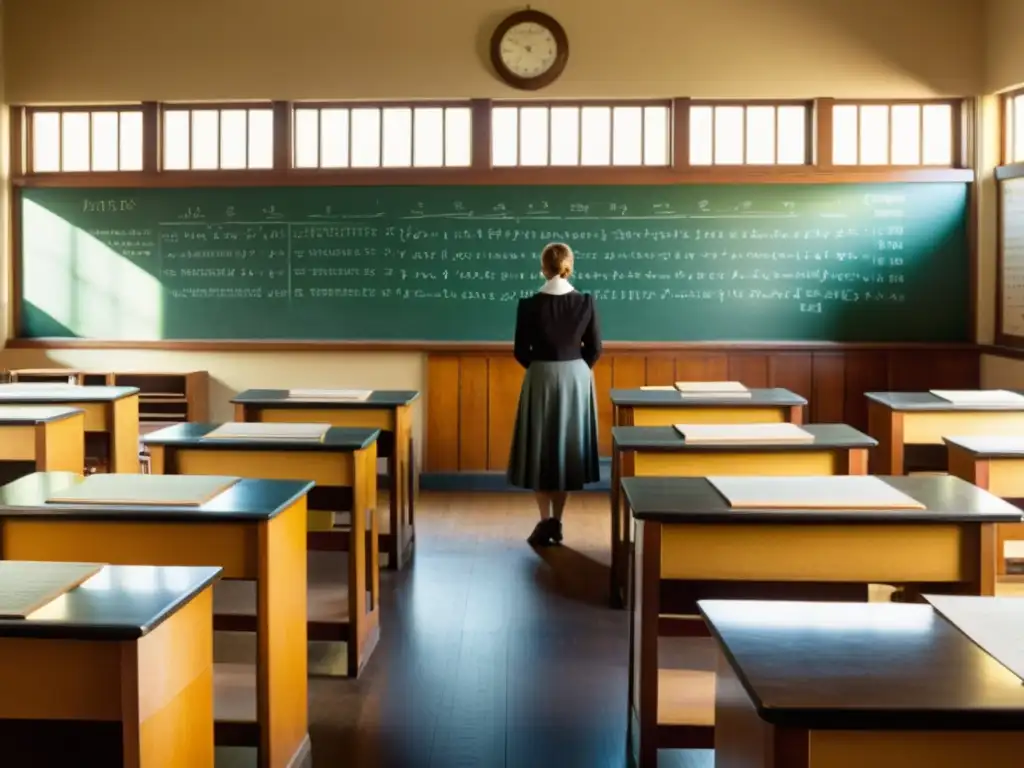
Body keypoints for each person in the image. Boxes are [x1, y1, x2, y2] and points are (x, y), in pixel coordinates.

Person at [507, 242, 602, 546]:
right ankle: (558, 520)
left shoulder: (529, 304)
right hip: (576, 378)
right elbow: (596, 348)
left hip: (540, 376)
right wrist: (576, 368)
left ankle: (545, 519)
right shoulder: (586, 302)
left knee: (540, 450)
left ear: (543, 267)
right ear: (569, 266)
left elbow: (521, 351)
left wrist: (542, 369)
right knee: (565, 450)